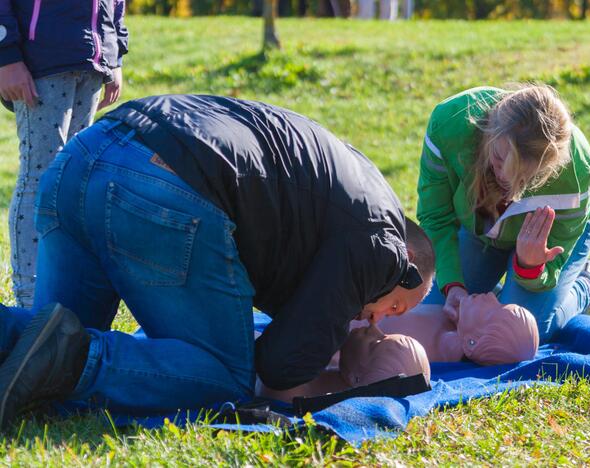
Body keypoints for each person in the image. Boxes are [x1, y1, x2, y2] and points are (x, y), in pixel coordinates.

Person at [0, 95, 435, 428]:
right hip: (159, 180)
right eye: (396, 306)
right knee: (225, 378)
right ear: (408, 257)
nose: (378, 321)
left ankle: (37, 343)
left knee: (36, 347)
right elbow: (281, 374)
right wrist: (352, 385)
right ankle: (74, 358)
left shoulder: (356, 194)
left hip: (83, 155)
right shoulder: (384, 247)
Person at [417, 84, 590, 343]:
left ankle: (586, 286)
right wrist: (453, 285)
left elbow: (552, 265)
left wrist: (531, 266)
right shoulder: (450, 123)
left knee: (525, 331)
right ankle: (494, 291)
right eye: (499, 157)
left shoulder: (575, 171)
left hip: (542, 248)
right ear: (490, 134)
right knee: (433, 313)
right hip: (480, 233)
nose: (506, 178)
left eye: (526, 176)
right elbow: (435, 217)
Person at [0, 0, 128, 308]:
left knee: (72, 183)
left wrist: (115, 52)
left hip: (92, 62)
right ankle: (30, 299)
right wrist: (5, 55)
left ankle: (63, 293)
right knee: (40, 177)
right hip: (41, 61)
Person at [256, 326, 431, 402]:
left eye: (373, 344)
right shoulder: (334, 365)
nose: (374, 328)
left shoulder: (294, 388)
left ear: (355, 379)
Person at [369, 292, 539, 365]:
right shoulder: (456, 325)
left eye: (491, 309)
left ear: (472, 343)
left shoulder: (442, 344)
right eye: (501, 302)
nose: (492, 296)